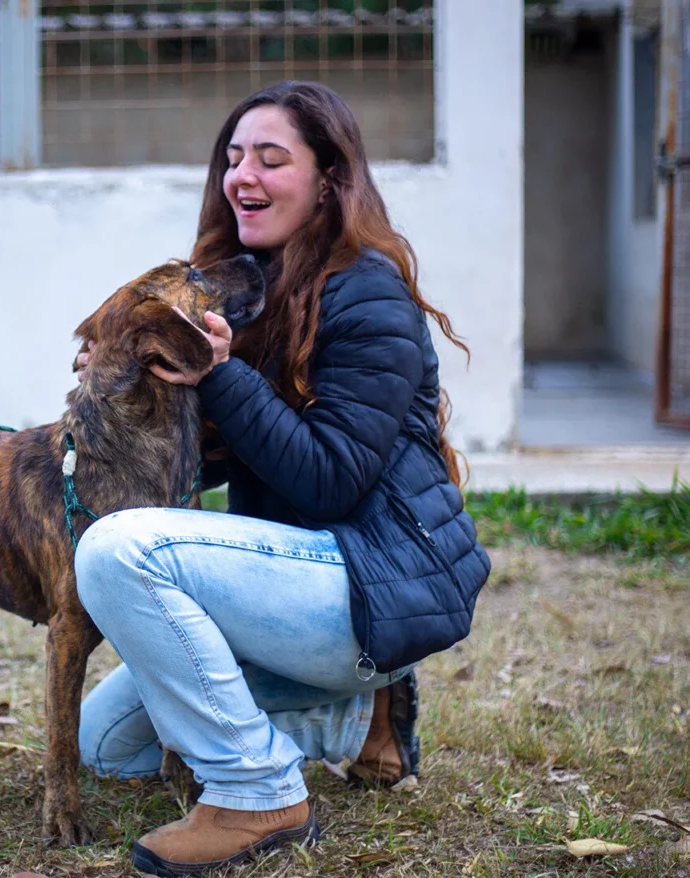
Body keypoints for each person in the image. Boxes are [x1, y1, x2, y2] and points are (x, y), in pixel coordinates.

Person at [70, 80, 491, 877]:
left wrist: (220, 373)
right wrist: (130, 378)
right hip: (290, 586)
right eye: (233, 159)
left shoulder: (369, 294)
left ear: (329, 179)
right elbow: (228, 460)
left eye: (271, 158)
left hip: (372, 581)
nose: (243, 177)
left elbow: (330, 480)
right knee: (105, 748)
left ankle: (257, 792)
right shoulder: (251, 286)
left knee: (118, 551)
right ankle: (356, 721)